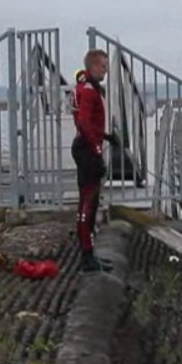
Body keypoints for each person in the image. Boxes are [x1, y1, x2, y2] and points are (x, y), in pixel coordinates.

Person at [71, 50, 117, 272]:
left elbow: (87, 124)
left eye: (106, 67)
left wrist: (107, 136)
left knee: (89, 202)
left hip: (85, 145)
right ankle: (87, 256)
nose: (106, 71)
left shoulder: (84, 87)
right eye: (103, 67)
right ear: (92, 67)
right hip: (87, 149)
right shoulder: (89, 92)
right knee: (88, 204)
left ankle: (88, 251)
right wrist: (98, 149)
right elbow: (83, 122)